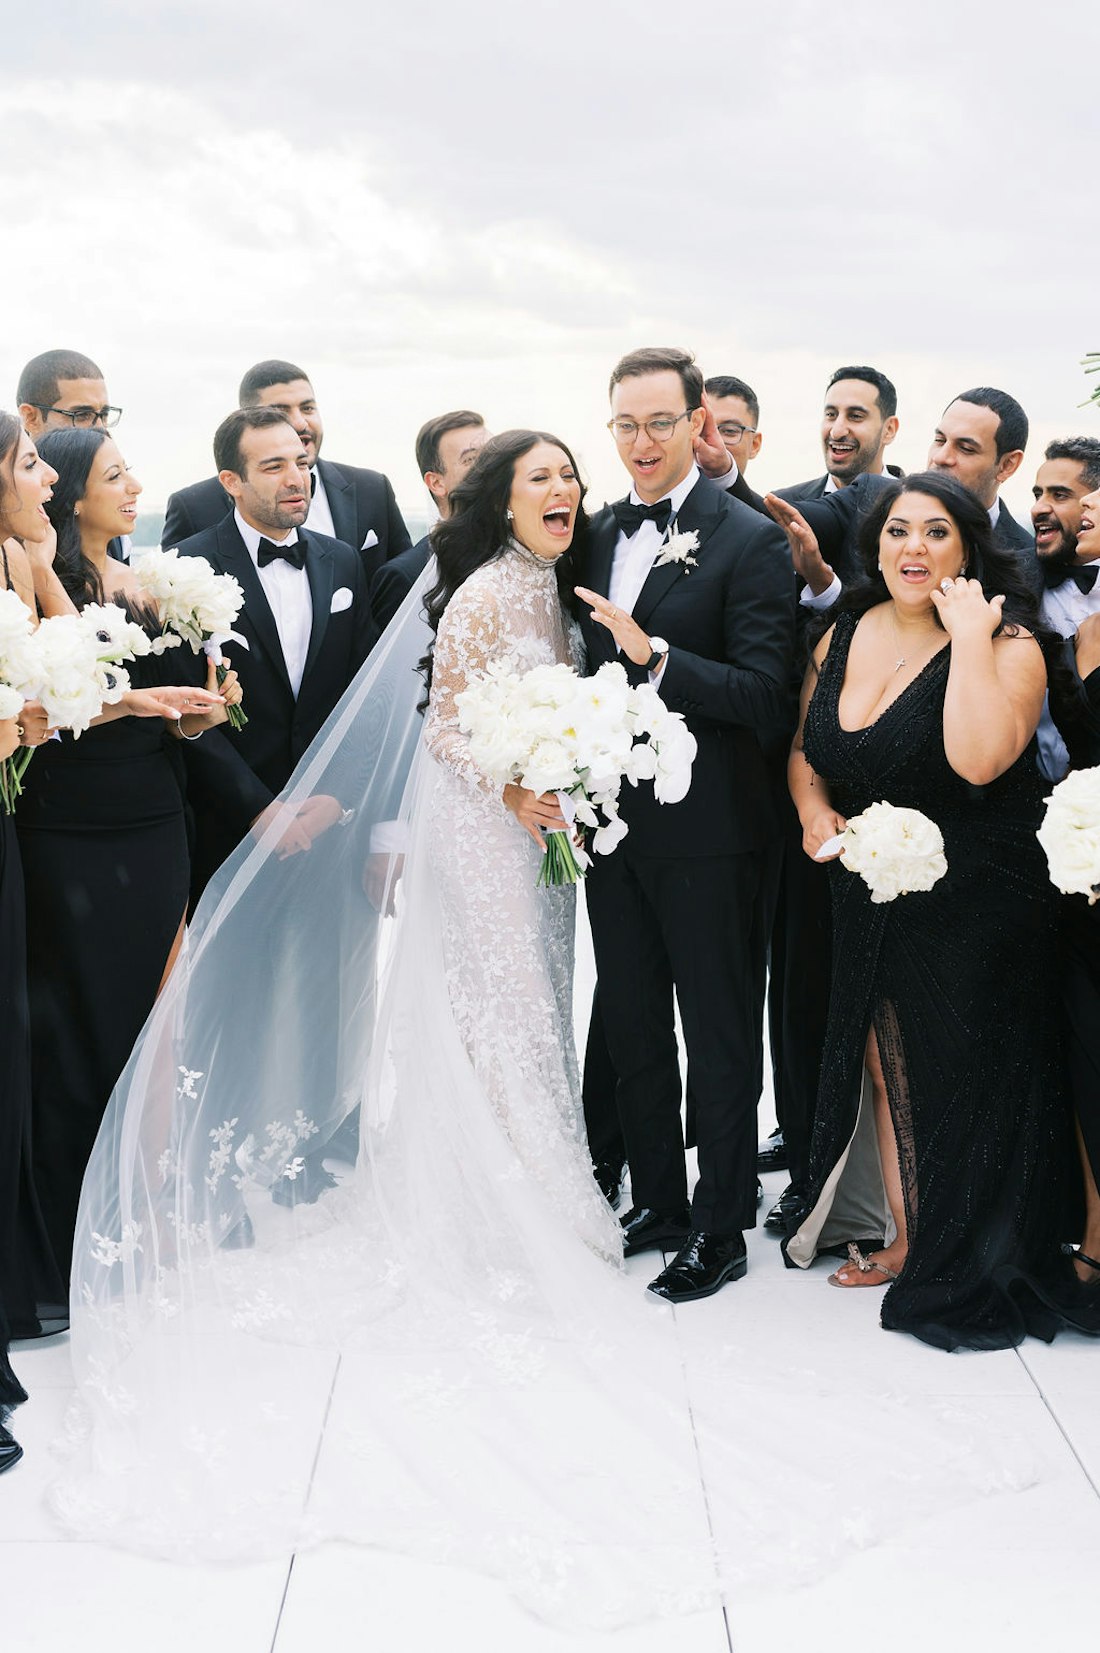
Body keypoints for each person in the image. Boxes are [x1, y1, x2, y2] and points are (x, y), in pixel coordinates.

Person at [783, 471, 1073, 1350]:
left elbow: (981, 758)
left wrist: (973, 637)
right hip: (870, 885)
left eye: (937, 532)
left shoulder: (1011, 642)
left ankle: (957, 1246)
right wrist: (812, 813)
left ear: (970, 548)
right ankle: (908, 1233)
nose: (914, 547)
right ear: (875, 545)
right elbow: (808, 748)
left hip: (982, 895)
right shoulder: (842, 630)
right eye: (899, 530)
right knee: (883, 1062)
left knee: (959, 1071)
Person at [576, 346, 795, 1303]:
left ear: (698, 419)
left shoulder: (747, 539)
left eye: (660, 422)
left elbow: (764, 694)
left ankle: (722, 1225)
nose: (641, 443)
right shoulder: (589, 533)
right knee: (629, 1024)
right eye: (624, 424)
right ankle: (658, 1203)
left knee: (716, 1032)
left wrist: (657, 654)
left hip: (710, 832)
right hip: (609, 829)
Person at [20, 427, 232, 1280]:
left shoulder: (143, 579)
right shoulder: (44, 578)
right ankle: (84, 1228)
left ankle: (149, 1205)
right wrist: (137, 702)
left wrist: (194, 711)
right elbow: (59, 700)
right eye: (115, 474)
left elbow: (154, 705)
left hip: (154, 817)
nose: (137, 485)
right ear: (72, 494)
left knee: (161, 1027)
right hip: (72, 824)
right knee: (88, 1030)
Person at [0, 414, 73, 1476]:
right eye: (25, 464)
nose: (44, 474)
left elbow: (70, 687)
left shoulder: (16, 572)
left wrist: (46, 572)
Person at [162, 359, 411, 578]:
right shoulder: (193, 508)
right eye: (280, 412)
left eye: (308, 408)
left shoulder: (373, 489)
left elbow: (404, 582)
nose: (300, 423)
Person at [369, 409, 489, 631]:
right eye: (471, 459)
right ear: (436, 483)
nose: (491, 466)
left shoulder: (533, 549)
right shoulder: (406, 576)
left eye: (492, 454)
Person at [1030, 436, 1100, 782]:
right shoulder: (1017, 585)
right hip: (1032, 796)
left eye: (1059, 495)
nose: (1039, 508)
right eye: (1037, 494)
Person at [776, 365, 902, 501]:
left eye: (855, 416)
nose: (837, 432)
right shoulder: (782, 506)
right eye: (831, 414)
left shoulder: (917, 504)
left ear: (889, 430)